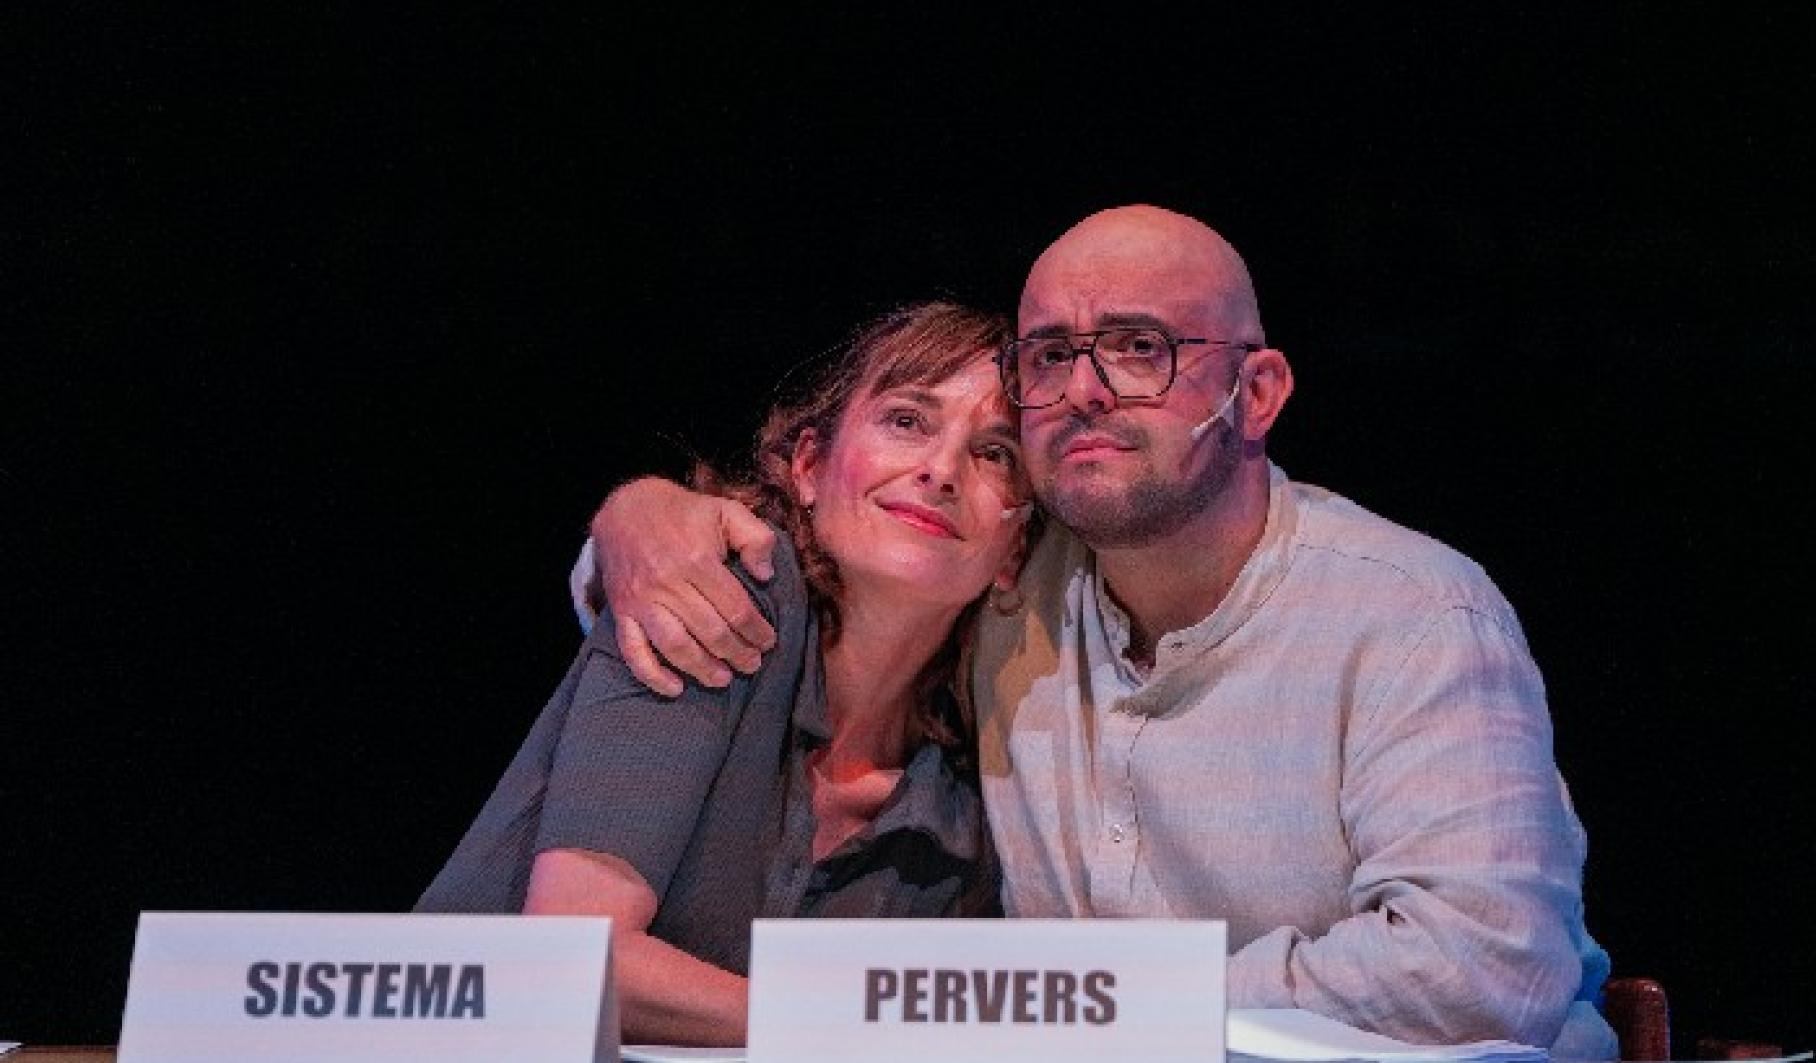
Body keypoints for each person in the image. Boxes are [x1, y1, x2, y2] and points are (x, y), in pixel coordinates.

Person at [580, 206, 1618, 1057]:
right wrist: (635, 522)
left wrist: (1098, 1003)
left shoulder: (1411, 615)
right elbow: (799, 551)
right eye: (1048, 355)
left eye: (1137, 348)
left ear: (1255, 392)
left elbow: (1484, 968)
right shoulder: (1005, 577)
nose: (1083, 390)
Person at [418, 302, 1033, 1046]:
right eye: (907, 420)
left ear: (1015, 550)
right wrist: (862, 1028)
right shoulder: (714, 594)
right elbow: (573, 959)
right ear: (809, 467)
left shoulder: (970, 800)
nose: (942, 471)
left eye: (996, 453)